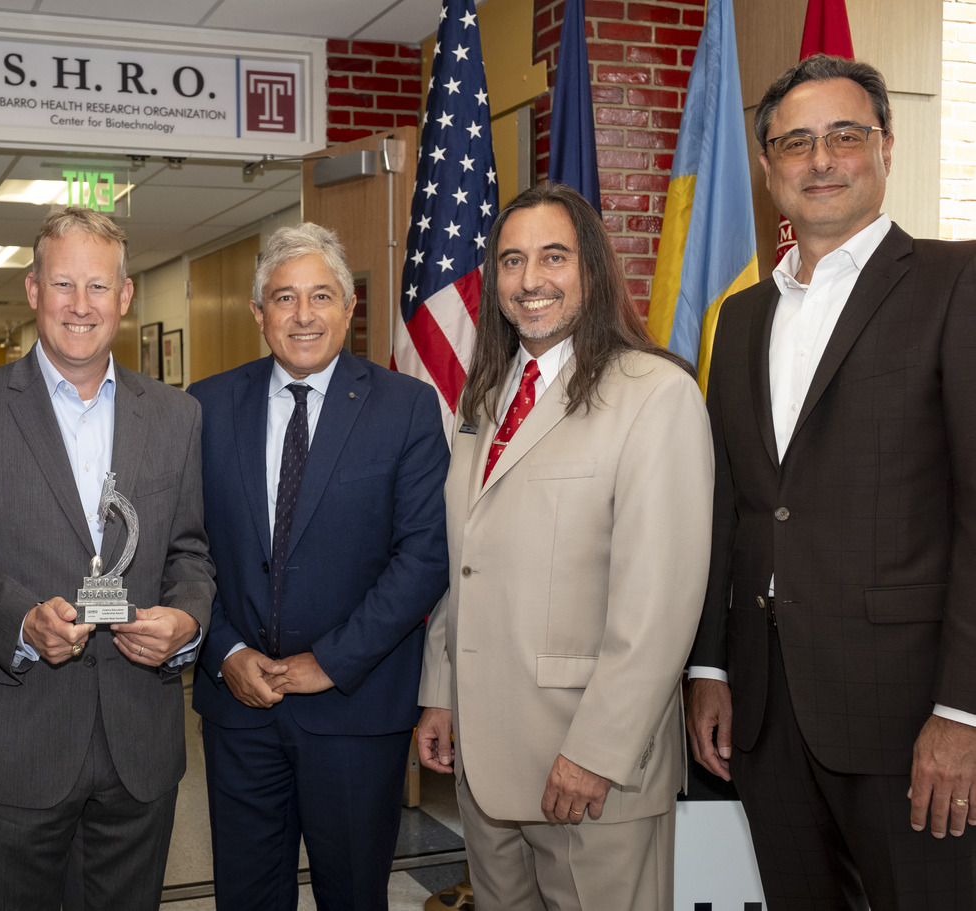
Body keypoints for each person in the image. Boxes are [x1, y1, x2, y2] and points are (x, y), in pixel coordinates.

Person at [687, 54, 976, 909]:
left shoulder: (952, 283)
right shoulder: (738, 318)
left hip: (907, 713)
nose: (819, 159)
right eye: (794, 142)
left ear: (885, 147)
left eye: (843, 136)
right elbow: (731, 508)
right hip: (765, 711)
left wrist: (961, 714)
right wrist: (709, 663)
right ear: (767, 168)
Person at [416, 182, 713, 910]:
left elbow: (659, 604)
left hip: (587, 770)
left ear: (592, 270)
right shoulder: (487, 395)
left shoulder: (654, 393)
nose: (529, 280)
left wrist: (596, 753)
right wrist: (439, 692)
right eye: (511, 261)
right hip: (486, 762)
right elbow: (468, 563)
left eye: (553, 256)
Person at [0, 206, 215, 911]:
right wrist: (19, 621)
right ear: (32, 290)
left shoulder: (175, 416)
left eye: (99, 287)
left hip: (139, 738)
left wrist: (185, 620)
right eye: (63, 284)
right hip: (15, 738)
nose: (81, 306)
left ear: (125, 296)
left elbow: (190, 550)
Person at [187, 223, 449, 910]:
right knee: (246, 895)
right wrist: (224, 651)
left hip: (355, 708)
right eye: (283, 298)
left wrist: (328, 661)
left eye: (321, 296)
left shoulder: (407, 407)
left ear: (350, 306)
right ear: (257, 313)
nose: (303, 315)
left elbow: (423, 554)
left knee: (354, 895)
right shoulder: (204, 406)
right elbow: (182, 548)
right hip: (238, 708)